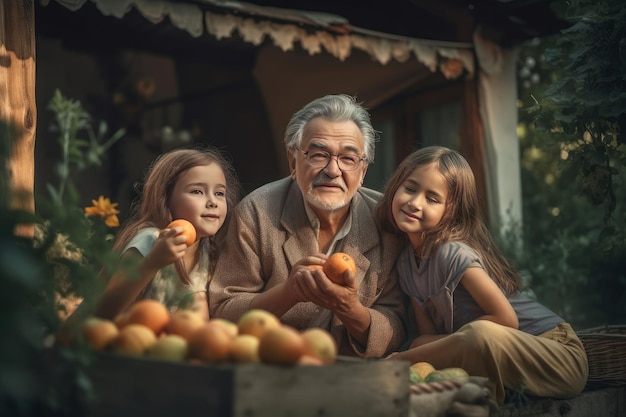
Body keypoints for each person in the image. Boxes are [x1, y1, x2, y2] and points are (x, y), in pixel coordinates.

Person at [376, 145, 588, 404]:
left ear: (450, 211)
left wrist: (411, 356)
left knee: (478, 334)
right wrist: (437, 346)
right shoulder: (406, 264)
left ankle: (394, 364)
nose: (414, 202)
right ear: (396, 186)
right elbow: (426, 337)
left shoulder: (451, 253)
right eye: (410, 189)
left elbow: (505, 319)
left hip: (555, 353)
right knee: (423, 344)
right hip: (499, 356)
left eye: (432, 199)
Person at [209, 94, 408, 358]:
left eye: (348, 159)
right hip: (272, 369)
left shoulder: (387, 221)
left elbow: (400, 325)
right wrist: (288, 293)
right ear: (293, 162)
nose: (333, 170)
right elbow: (222, 311)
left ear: (362, 173)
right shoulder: (256, 212)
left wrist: (350, 308)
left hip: (356, 377)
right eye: (318, 155)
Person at [95, 146, 240, 321]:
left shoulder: (208, 249)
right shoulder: (151, 240)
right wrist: (153, 261)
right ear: (165, 198)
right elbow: (103, 311)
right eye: (197, 191)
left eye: (219, 193)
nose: (212, 202)